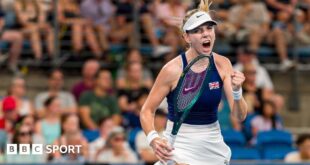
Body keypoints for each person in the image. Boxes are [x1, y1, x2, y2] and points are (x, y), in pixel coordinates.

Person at [140, 0, 247, 164]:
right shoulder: (172, 70)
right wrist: (153, 139)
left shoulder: (223, 64)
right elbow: (147, 110)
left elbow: (239, 116)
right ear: (186, 37)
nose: (205, 34)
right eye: (197, 31)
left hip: (212, 144)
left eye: (209, 28)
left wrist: (237, 91)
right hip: (178, 143)